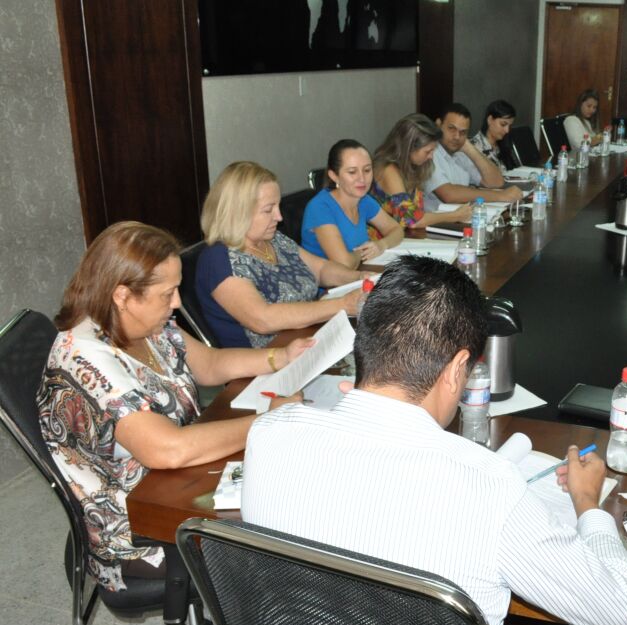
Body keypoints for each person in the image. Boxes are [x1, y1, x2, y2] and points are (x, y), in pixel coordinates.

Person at [240, 255, 627, 625]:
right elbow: (618, 611)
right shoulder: (489, 486)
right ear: (456, 369)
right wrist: (589, 506)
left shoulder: (270, 434)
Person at [37, 221, 309, 592]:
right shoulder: (86, 358)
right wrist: (269, 419)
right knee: (290, 534)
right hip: (140, 528)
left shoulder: (143, 322)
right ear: (122, 295)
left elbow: (208, 364)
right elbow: (168, 449)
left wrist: (280, 357)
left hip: (178, 484)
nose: (177, 302)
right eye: (168, 293)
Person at [196, 161, 368, 348]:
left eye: (278, 206)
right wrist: (343, 304)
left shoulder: (273, 239)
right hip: (271, 356)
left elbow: (320, 269)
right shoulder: (218, 260)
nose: (279, 217)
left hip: (311, 336)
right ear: (237, 212)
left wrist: (359, 277)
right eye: (268, 210)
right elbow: (263, 319)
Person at [301, 139, 405, 269]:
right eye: (352, 172)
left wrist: (381, 245)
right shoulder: (319, 207)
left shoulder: (364, 200)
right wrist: (364, 251)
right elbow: (344, 263)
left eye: (367, 170)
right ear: (334, 176)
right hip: (326, 282)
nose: (362, 178)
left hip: (358, 273)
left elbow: (396, 230)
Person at [370, 113, 473, 234]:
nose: (431, 156)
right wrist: (455, 216)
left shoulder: (413, 167)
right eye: (428, 151)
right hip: (381, 241)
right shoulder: (388, 170)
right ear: (409, 147)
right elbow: (411, 220)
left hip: (405, 237)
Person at [423, 102, 524, 212]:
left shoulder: (461, 153)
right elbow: (448, 194)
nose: (457, 136)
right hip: (437, 219)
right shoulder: (428, 153)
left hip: (463, 216)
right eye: (451, 128)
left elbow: (496, 182)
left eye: (463, 132)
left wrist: (469, 148)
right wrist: (501, 195)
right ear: (438, 125)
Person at [470, 99, 516, 170]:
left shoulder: (504, 144)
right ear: (490, 120)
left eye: (510, 126)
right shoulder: (474, 148)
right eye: (503, 124)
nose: (507, 130)